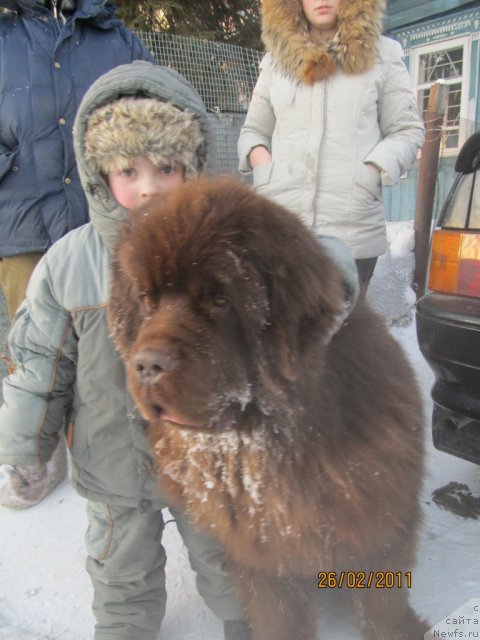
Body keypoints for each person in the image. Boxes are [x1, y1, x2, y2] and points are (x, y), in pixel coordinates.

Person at [0, 61, 251, 640]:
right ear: (97, 173)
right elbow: (40, 361)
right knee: (120, 567)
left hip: (205, 453)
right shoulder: (69, 263)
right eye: (127, 169)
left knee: (228, 552)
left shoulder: (224, 250)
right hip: (113, 458)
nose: (147, 186)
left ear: (194, 167)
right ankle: (124, 630)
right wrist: (26, 443)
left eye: (166, 167)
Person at [0, 0, 154, 508]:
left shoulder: (117, 38)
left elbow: (156, 110)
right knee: (35, 345)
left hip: (105, 221)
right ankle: (39, 456)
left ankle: (113, 454)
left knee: (112, 350)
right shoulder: (5, 36)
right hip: (23, 219)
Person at [238, 0, 425, 292]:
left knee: (347, 334)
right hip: (282, 228)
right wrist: (264, 169)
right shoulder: (275, 62)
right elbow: (254, 131)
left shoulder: (382, 55)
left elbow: (406, 130)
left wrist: (371, 171)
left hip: (352, 232)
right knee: (283, 334)